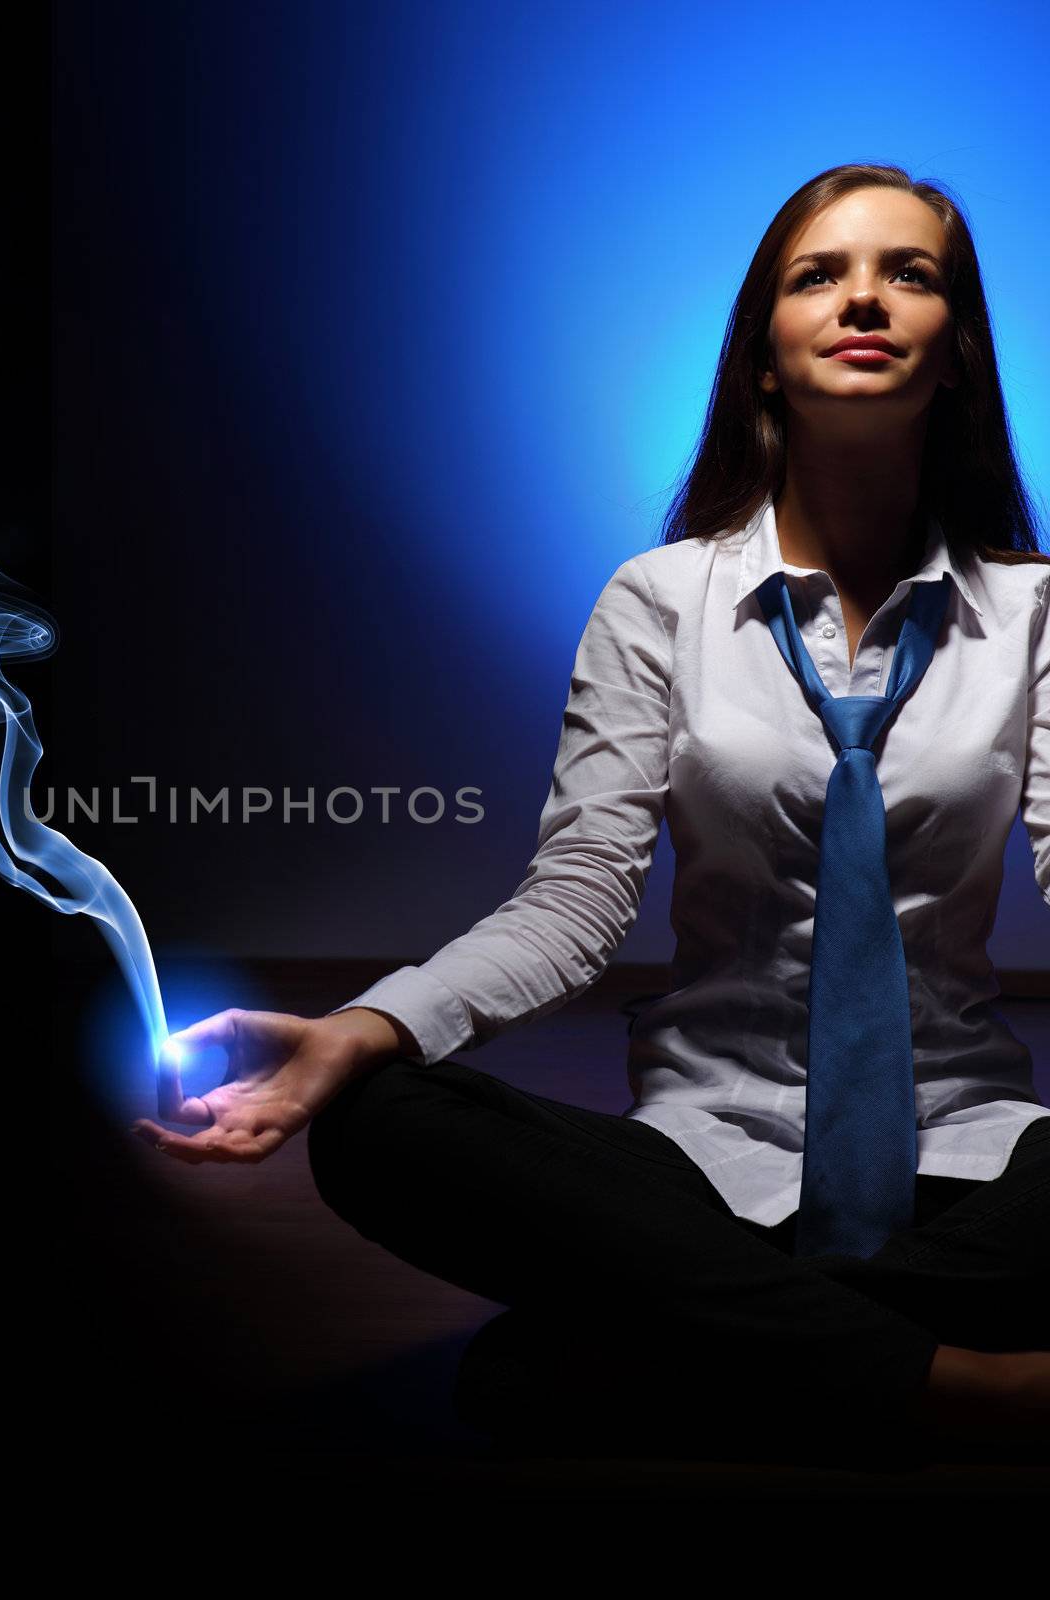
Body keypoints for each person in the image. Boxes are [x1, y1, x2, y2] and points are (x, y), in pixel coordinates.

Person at [132, 162, 1050, 1468]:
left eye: (911, 276)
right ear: (764, 361)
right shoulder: (658, 603)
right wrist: (360, 1028)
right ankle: (966, 1388)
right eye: (819, 275)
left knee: (550, 1376)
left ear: (957, 354)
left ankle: (670, 1356)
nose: (865, 299)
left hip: (975, 1161)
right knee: (381, 1123)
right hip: (701, 1164)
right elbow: (575, 902)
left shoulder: (1034, 613)